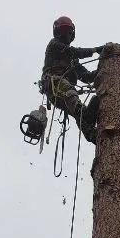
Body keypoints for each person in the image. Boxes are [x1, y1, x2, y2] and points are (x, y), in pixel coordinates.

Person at [41, 16, 104, 144]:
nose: (65, 35)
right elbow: (73, 51)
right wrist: (96, 50)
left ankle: (91, 134)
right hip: (54, 84)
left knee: (78, 112)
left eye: (68, 32)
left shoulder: (73, 61)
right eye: (63, 31)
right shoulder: (54, 45)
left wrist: (102, 68)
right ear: (57, 33)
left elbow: (86, 77)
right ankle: (86, 115)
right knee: (71, 96)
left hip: (64, 94)